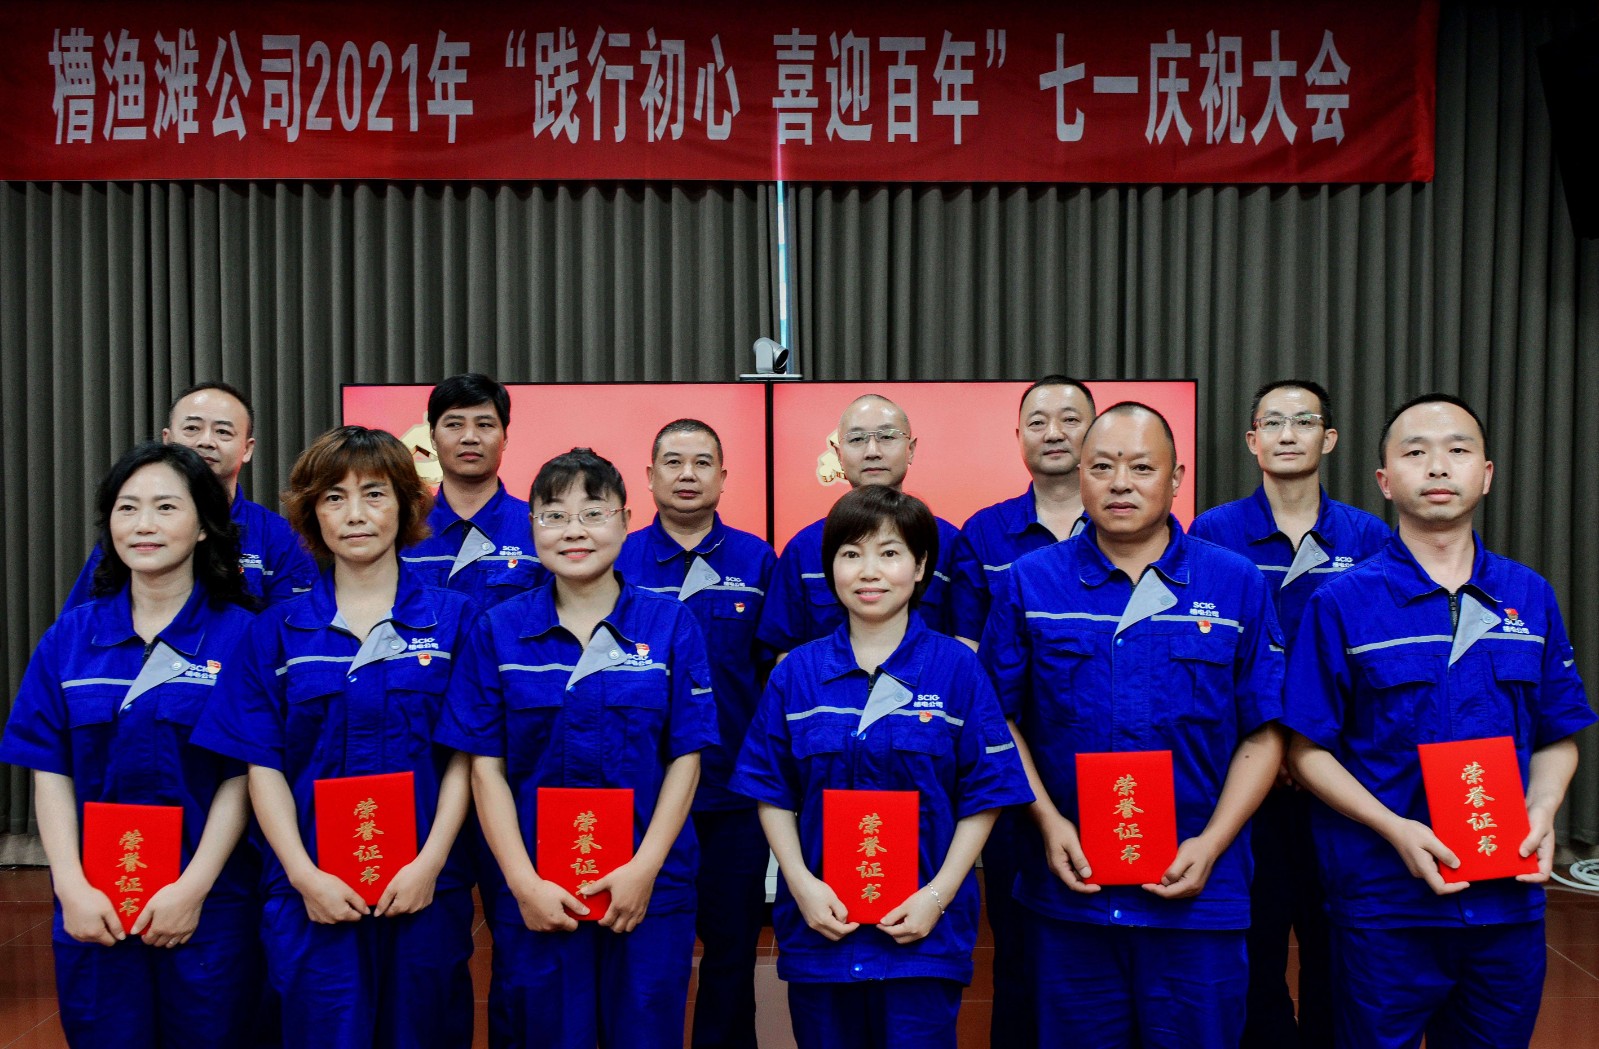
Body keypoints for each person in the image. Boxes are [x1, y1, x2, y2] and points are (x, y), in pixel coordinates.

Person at [1283, 394, 1594, 1049]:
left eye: (1457, 449)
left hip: (1506, 898)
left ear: (1486, 473)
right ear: (1384, 479)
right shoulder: (1340, 601)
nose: (1437, 466)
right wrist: (1394, 828)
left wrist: (1541, 811)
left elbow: (1557, 733)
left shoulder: (1529, 594)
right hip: (1383, 900)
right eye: (1415, 451)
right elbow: (1305, 749)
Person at [982, 402, 1285, 1048]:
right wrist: (1048, 822)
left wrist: (1212, 843)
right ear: (1081, 476)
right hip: (1071, 892)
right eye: (1102, 467)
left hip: (1199, 894)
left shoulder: (1234, 582)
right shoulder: (1030, 582)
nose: (1120, 482)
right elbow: (998, 719)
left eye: (1142, 467)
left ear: (1176, 478)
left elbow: (1264, 731)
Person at [192, 426, 477, 1048]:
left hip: (427, 884)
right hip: (311, 889)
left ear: (406, 505)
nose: (355, 515)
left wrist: (430, 863)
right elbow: (260, 764)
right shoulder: (274, 632)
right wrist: (303, 875)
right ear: (311, 512)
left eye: (374, 494)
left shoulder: (457, 622)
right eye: (334, 497)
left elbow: (467, 756)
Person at [731, 485, 1032, 1049]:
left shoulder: (958, 670)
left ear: (920, 567)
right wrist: (800, 884)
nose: (869, 571)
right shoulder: (796, 673)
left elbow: (986, 793)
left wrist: (937, 895)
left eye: (889, 553)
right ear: (831, 569)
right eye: (851, 553)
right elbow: (771, 790)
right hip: (823, 928)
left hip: (922, 931)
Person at [438, 448, 717, 1049]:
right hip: (538, 884)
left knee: (645, 1029)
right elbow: (484, 767)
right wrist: (522, 882)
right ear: (532, 526)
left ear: (626, 520)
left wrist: (644, 869)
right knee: (544, 1030)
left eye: (593, 513)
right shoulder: (498, 630)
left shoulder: (671, 625)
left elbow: (687, 757)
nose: (574, 531)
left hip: (648, 882)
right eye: (555, 516)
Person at [1, 442, 259, 1047]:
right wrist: (70, 887)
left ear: (204, 525)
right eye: (127, 507)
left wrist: (193, 888)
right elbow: (49, 769)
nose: (144, 524)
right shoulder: (69, 638)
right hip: (97, 902)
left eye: (166, 507)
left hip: (211, 900)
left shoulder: (244, 637)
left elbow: (244, 775)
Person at [1188, 379, 1389, 1049]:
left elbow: (1371, 656)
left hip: (1338, 773)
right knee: (1255, 938)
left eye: (1303, 422)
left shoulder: (1368, 535)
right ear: (1252, 441)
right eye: (1271, 422)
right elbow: (1213, 657)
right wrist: (1271, 746)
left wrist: (1311, 749)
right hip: (1247, 775)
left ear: (1327, 439)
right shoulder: (1213, 532)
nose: (1286, 434)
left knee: (1337, 941)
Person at [615, 419, 776, 1049]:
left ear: (723, 477)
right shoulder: (619, 558)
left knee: (732, 950)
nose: (688, 475)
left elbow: (772, 676)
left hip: (731, 794)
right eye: (673, 462)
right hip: (639, 795)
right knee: (644, 946)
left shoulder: (757, 560)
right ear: (649, 475)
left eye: (702, 462)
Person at [946, 374, 1095, 1049]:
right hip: (1011, 770)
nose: (1054, 432)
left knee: (1105, 945)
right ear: (1018, 437)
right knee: (1017, 949)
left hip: (1108, 764)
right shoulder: (984, 532)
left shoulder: (1128, 522)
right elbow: (970, 659)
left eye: (1070, 418)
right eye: (1038, 421)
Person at [63, 381, 315, 610]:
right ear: (167, 440)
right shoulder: (136, 532)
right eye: (192, 428)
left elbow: (295, 630)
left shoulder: (280, 536)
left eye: (223, 432)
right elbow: (86, 621)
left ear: (247, 449)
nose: (206, 441)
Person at [758, 394, 961, 656]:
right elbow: (784, 652)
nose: (872, 451)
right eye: (856, 439)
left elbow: (967, 640)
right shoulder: (804, 547)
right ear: (838, 454)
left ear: (910, 449)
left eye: (887, 436)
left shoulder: (950, 542)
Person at [400, 373, 547, 607]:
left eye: (484, 425)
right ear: (433, 437)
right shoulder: (405, 529)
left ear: (505, 437)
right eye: (454, 425)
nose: (469, 437)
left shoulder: (538, 527)